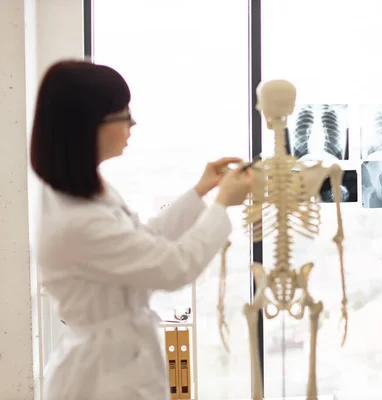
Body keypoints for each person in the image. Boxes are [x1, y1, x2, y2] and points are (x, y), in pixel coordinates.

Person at [30, 60, 253, 400]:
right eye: (123, 114)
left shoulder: (83, 195)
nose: (132, 123)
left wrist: (200, 192)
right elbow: (172, 267)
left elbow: (142, 242)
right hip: (101, 378)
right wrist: (223, 204)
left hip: (118, 363)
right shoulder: (77, 220)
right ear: (88, 126)